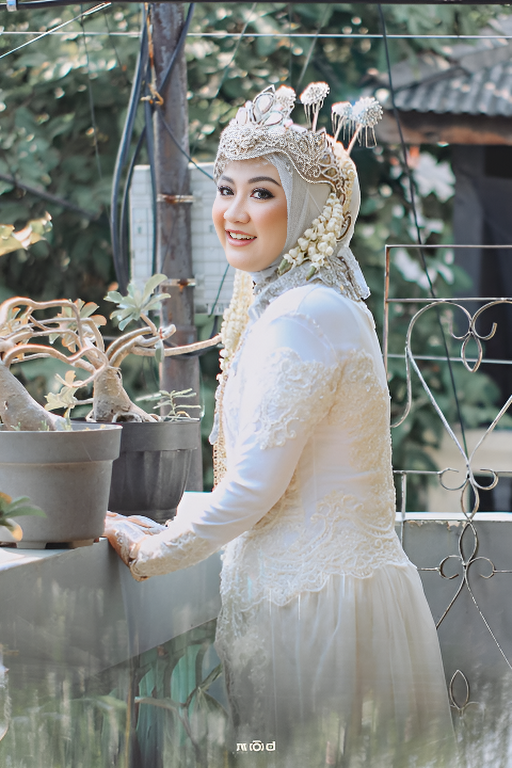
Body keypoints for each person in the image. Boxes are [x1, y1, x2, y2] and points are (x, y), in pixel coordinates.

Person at [105, 83, 456, 767]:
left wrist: (150, 550)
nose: (234, 213)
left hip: (313, 615)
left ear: (311, 208)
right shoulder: (318, 302)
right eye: (225, 189)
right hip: (338, 601)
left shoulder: (300, 316)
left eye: (262, 193)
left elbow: (254, 491)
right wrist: (168, 523)